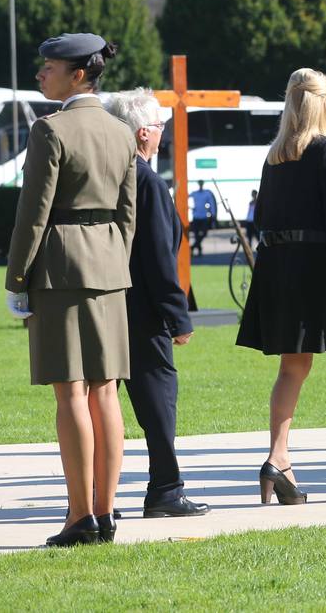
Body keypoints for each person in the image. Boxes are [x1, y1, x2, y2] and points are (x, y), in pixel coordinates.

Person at [4, 33, 136, 546]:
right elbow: (128, 215)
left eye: (50, 68)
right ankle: (104, 512)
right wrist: (112, 260)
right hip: (108, 267)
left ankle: (80, 516)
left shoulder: (49, 130)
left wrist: (18, 278)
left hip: (60, 267)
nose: (41, 75)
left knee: (70, 393)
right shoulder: (121, 131)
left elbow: (32, 215)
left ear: (78, 74)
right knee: (106, 392)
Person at [236, 68, 326, 505]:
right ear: (324, 105)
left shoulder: (276, 156)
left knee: (292, 367)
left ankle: (277, 459)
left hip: (281, 268)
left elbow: (262, 219)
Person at [104, 89, 210, 519]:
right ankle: (165, 488)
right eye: (161, 126)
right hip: (143, 312)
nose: (164, 133)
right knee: (158, 400)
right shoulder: (145, 179)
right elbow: (158, 259)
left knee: (103, 401)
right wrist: (177, 317)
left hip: (109, 306)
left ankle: (100, 497)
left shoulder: (112, 174)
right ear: (144, 132)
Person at [188, 181, 216, 256]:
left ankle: (193, 247)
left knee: (204, 233)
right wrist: (190, 208)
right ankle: (199, 250)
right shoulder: (194, 193)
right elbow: (185, 197)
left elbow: (211, 204)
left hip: (204, 216)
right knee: (196, 234)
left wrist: (212, 214)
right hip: (196, 216)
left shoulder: (207, 194)